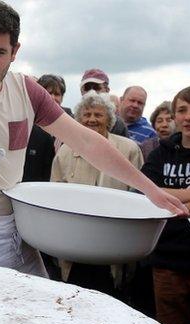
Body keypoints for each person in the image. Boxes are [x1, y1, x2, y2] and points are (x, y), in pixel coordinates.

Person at [0, 1, 187, 276]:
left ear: (15, 51)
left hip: (21, 232)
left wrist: (151, 191)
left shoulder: (26, 89)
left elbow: (86, 141)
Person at [51, 91, 143, 293]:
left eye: (98, 115)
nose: (92, 119)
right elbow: (55, 196)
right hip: (74, 244)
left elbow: (137, 196)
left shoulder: (129, 149)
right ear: (79, 119)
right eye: (87, 114)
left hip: (113, 243)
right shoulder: (66, 151)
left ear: (109, 119)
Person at [141, 85, 190, 324]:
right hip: (167, 263)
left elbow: (160, 194)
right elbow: (146, 192)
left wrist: (167, 194)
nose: (189, 116)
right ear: (175, 116)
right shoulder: (161, 152)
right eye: (182, 110)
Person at [79, 68, 128, 137]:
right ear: (81, 91)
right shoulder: (71, 120)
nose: (92, 92)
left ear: (107, 90)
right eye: (87, 88)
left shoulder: (118, 125)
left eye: (96, 88)